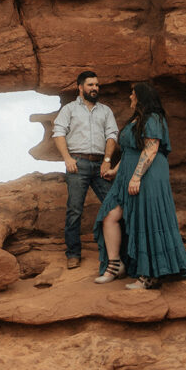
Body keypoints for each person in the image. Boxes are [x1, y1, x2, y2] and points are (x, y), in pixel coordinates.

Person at [93, 82, 186, 288]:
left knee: (147, 220)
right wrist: (115, 170)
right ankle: (115, 265)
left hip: (148, 175)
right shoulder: (135, 120)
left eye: (132, 94)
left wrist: (137, 177)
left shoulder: (154, 118)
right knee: (109, 216)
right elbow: (131, 150)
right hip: (127, 176)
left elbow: (150, 149)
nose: (130, 97)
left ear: (141, 97)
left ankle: (149, 275)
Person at [52, 70, 119, 269]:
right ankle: (73, 253)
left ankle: (115, 253)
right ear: (80, 87)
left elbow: (112, 135)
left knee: (114, 204)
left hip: (100, 164)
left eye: (97, 85)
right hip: (77, 164)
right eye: (90, 85)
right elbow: (58, 133)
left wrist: (107, 160)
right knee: (74, 210)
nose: (95, 88)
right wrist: (67, 159)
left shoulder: (105, 110)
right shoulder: (69, 109)